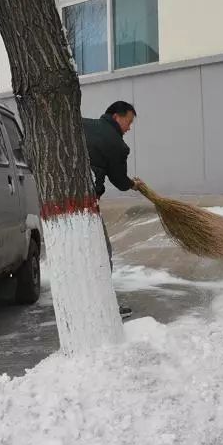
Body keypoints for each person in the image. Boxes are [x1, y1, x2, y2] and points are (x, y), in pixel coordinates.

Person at [83, 101, 144, 319]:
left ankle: (84, 304)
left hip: (58, 206)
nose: (129, 128)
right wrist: (132, 185)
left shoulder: (82, 124)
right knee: (102, 253)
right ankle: (104, 307)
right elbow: (118, 180)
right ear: (117, 117)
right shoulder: (117, 145)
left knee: (82, 257)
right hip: (85, 207)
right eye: (129, 121)